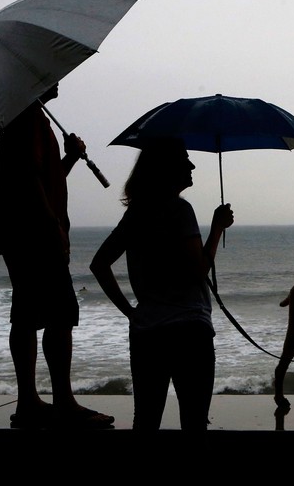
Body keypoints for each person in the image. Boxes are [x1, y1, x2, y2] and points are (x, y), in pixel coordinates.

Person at [0, 83, 114, 429]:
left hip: (22, 232)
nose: (58, 78)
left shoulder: (28, 117)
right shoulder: (27, 117)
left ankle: (30, 402)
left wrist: (70, 157)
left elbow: (45, 177)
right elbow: (29, 179)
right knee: (60, 312)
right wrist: (53, 227)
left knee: (28, 312)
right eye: (51, 74)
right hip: (34, 233)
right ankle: (62, 402)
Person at [90, 137, 234, 430]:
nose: (191, 165)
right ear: (167, 168)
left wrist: (131, 312)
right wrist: (217, 228)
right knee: (194, 424)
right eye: (184, 159)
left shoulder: (136, 213)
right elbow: (198, 270)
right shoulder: (180, 210)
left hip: (147, 332)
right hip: (189, 332)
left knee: (145, 422)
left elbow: (99, 264)